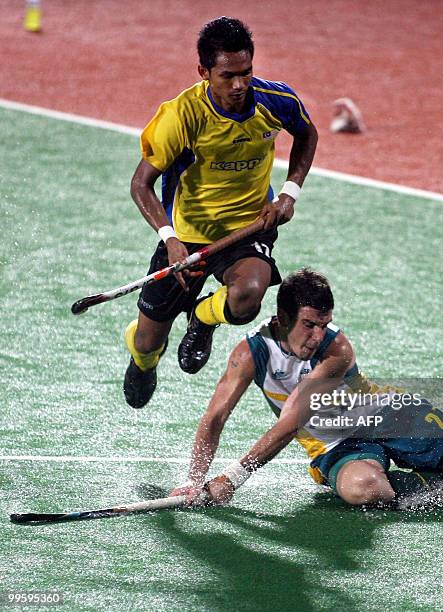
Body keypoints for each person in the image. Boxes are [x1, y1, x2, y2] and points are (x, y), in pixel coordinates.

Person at [170, 268, 443, 508]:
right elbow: (215, 416)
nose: (319, 335)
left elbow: (292, 420)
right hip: (335, 444)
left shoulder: (337, 349)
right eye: (310, 324)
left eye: (325, 323)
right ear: (283, 318)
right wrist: (193, 480)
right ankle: (430, 482)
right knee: (365, 489)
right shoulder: (249, 354)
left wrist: (231, 478)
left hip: (389, 413)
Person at [123, 16, 318, 408]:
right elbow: (140, 184)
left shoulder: (275, 100)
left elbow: (307, 133)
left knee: (248, 295)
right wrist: (170, 239)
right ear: (204, 71)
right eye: (228, 75)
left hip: (249, 227)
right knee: (148, 341)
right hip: (188, 235)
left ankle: (204, 317)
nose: (239, 85)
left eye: (246, 72)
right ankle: (143, 362)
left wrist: (288, 194)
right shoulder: (181, 116)